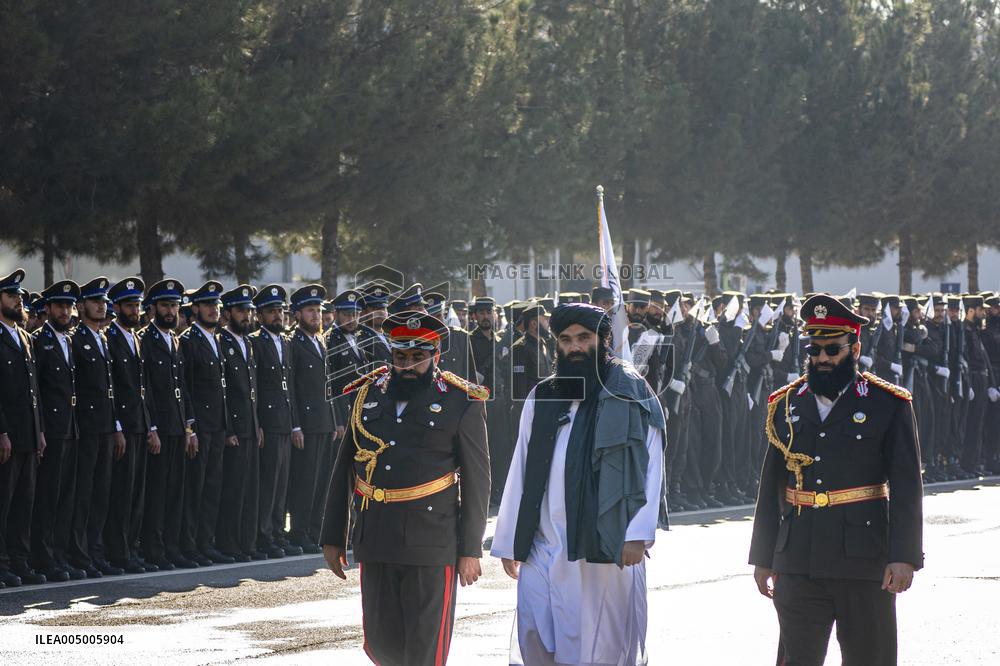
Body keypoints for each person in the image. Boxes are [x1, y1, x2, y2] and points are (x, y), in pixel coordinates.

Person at [749, 293, 923, 666]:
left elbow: (907, 486)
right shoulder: (787, 403)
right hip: (798, 557)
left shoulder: (886, 403)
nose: (822, 359)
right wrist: (763, 556)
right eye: (814, 350)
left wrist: (904, 556)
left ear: (855, 348)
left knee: (868, 657)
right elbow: (771, 486)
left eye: (832, 349)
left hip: (863, 559)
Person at [492, 302, 665, 666]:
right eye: (566, 340)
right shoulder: (544, 395)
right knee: (534, 634)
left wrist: (636, 531)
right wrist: (510, 539)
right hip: (544, 542)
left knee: (596, 646)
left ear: (603, 340)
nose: (574, 347)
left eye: (584, 338)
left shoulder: (630, 391)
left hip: (603, 546)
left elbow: (650, 462)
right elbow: (520, 467)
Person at [321, 311, 490, 665]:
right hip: (377, 536)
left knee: (423, 649)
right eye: (400, 357)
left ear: (436, 356)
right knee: (382, 645)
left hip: (431, 540)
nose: (408, 366)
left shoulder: (460, 401)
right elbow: (344, 470)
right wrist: (334, 537)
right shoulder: (367, 397)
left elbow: (477, 479)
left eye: (418, 357)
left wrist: (470, 549)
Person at [69, 277, 125, 578]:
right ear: (82, 307)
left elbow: (110, 388)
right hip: (87, 428)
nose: (101, 305)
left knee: (102, 492)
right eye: (95, 301)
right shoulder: (76, 339)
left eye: (103, 301)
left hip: (105, 425)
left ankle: (95, 550)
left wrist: (116, 425)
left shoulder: (102, 339)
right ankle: (80, 554)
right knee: (84, 493)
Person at [139, 279, 195, 571]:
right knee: (158, 493)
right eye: (165, 305)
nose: (171, 311)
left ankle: (171, 547)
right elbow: (145, 388)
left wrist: (189, 428)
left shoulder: (175, 339)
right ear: (153, 308)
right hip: (159, 427)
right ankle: (154, 548)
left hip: (176, 427)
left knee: (176, 492)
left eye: (174, 306)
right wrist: (152, 429)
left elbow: (181, 387)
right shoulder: (145, 340)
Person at [30, 280, 82, 582]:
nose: (65, 311)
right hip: (51, 429)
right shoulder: (40, 340)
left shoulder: (70, 340)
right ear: (47, 308)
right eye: (60, 305)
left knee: (66, 497)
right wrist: (42, 430)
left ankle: (60, 555)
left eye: (68, 305)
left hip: (72, 428)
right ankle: (44, 557)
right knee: (48, 497)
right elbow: (37, 389)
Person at [104, 277, 156, 574]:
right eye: (129, 306)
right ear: (118, 308)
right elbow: (114, 388)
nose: (135, 311)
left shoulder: (134, 338)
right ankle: (118, 551)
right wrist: (118, 425)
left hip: (139, 424)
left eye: (137, 305)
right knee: (121, 493)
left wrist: (150, 427)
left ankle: (130, 548)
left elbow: (142, 388)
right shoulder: (111, 337)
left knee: (136, 492)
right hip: (123, 425)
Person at [179, 281, 232, 567]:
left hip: (217, 425)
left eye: (216, 305)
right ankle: (190, 545)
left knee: (212, 487)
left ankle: (205, 541)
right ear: (195, 308)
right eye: (208, 305)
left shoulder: (216, 339)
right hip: (199, 425)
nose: (214, 310)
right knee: (195, 488)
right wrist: (190, 427)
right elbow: (186, 386)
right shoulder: (188, 341)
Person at [250, 285, 303, 558]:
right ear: (259, 315)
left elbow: (290, 387)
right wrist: (256, 422)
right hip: (267, 423)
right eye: (271, 312)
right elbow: (254, 388)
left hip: (284, 421)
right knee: (269, 482)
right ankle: (264, 535)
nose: (278, 316)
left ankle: (278, 532)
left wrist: (295, 424)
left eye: (280, 311)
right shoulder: (255, 342)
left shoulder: (285, 342)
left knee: (282, 482)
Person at [288, 284, 336, 553]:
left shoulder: (320, 341)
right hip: (305, 424)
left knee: (321, 482)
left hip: (323, 422)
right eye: (310, 311)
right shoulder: (293, 342)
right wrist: (296, 424)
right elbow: (292, 388)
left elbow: (328, 386)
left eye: (318, 310)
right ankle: (299, 532)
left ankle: (315, 530)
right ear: (297, 314)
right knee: (304, 481)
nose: (316, 315)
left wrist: (334, 421)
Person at [216, 285, 263, 561]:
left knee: (249, 488)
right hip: (233, 428)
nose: (246, 316)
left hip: (250, 426)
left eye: (248, 311)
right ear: (228, 313)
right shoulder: (223, 341)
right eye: (241, 311)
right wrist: (230, 429)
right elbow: (226, 393)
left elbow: (252, 389)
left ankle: (247, 542)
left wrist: (257, 424)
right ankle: (230, 543)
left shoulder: (247, 342)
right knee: (232, 489)